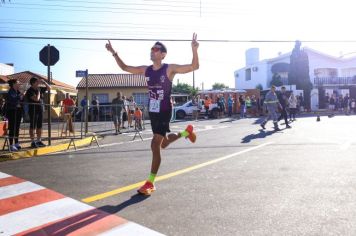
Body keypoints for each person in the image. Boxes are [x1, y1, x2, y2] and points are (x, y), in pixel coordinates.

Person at [106, 33, 199, 195]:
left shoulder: (169, 69)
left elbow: (194, 66)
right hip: (153, 111)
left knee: (154, 144)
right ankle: (186, 132)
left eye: (155, 49)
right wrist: (114, 53)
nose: (152, 51)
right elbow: (125, 68)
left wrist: (194, 49)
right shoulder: (146, 70)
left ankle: (150, 182)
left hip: (164, 111)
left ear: (163, 54)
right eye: (151, 49)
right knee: (163, 144)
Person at [26, 77, 51, 148]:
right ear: (33, 83)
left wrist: (44, 82)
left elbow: (49, 88)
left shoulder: (39, 88)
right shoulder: (30, 90)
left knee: (39, 126)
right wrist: (39, 92)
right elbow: (36, 99)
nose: (38, 83)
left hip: (40, 110)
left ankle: (39, 140)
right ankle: (32, 142)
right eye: (37, 82)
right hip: (33, 110)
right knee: (32, 126)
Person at [5, 79, 23, 151]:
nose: (19, 84)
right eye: (18, 83)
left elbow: (20, 100)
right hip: (12, 111)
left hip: (18, 111)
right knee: (12, 128)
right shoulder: (11, 91)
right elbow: (13, 100)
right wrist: (20, 95)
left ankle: (16, 143)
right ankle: (11, 145)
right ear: (14, 84)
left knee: (17, 128)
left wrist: (21, 96)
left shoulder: (17, 91)